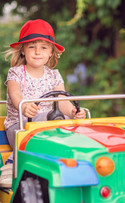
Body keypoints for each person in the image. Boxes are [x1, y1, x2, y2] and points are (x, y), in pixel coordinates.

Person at [0, 19, 85, 188]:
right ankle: (13, 163)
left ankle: (71, 165)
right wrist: (24, 107)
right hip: (20, 127)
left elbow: (62, 100)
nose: (37, 52)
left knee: (70, 122)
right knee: (45, 119)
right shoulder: (15, 73)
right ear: (23, 50)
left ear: (51, 52)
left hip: (48, 127)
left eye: (44, 47)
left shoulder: (54, 75)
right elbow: (15, 94)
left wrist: (73, 111)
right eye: (32, 46)